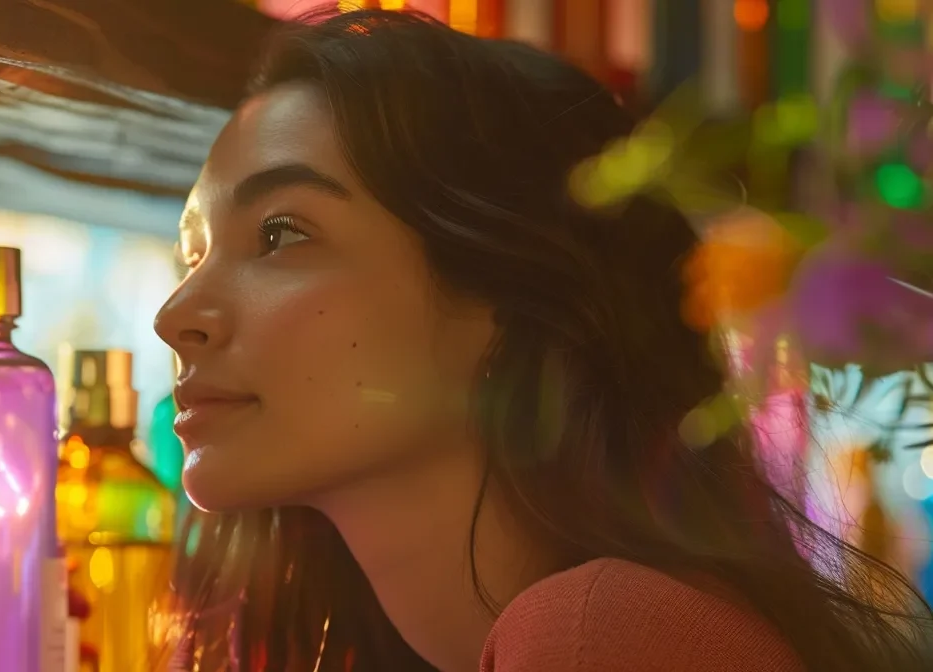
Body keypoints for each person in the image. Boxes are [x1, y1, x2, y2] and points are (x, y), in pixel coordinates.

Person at [153, 9, 933, 672]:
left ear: (503, 293)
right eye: (193, 254)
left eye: (282, 232)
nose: (176, 314)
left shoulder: (599, 634)